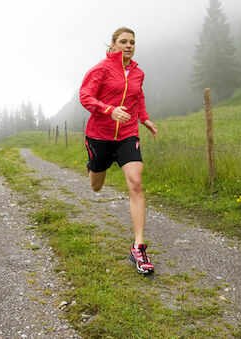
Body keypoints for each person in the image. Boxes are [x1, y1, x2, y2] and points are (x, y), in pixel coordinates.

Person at [79, 27, 158, 274]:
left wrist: (144, 119)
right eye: (123, 41)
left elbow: (138, 97)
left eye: (132, 42)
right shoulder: (100, 70)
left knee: (135, 182)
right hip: (100, 135)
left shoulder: (138, 73)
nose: (128, 45)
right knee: (96, 185)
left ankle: (138, 247)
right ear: (113, 45)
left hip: (126, 135)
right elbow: (85, 96)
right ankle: (93, 165)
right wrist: (108, 110)